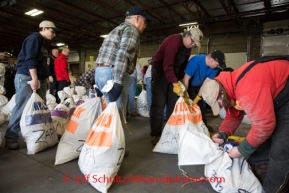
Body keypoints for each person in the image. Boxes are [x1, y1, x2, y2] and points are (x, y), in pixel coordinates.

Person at [199, 56, 289, 193]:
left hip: (286, 93)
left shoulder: (248, 88)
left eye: (219, 103)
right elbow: (233, 114)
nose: (221, 106)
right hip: (277, 93)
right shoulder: (230, 86)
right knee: (261, 146)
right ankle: (258, 182)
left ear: (221, 94)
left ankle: (275, 189)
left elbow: (264, 126)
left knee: (281, 149)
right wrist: (222, 134)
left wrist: (241, 150)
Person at [94, 6, 151, 156]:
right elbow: (122, 54)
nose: (145, 26)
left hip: (101, 71)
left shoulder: (116, 30)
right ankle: (114, 151)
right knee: (117, 115)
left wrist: (99, 81)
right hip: (114, 73)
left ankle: (102, 146)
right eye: (145, 22)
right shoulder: (132, 30)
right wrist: (118, 81)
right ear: (137, 18)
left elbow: (103, 53)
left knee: (108, 111)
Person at [4, 20, 58, 150]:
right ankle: (11, 138)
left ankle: (41, 135)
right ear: (44, 28)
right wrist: (34, 79)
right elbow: (30, 60)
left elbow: (42, 63)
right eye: (53, 31)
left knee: (40, 107)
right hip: (27, 76)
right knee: (22, 106)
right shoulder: (34, 39)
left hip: (38, 77)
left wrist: (44, 79)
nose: (54, 34)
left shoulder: (45, 43)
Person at [150, 27, 203, 145]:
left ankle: (170, 131)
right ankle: (155, 134)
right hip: (160, 71)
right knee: (159, 103)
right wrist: (174, 82)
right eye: (192, 41)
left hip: (173, 72)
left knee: (173, 104)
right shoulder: (173, 41)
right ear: (186, 35)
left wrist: (179, 80)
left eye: (195, 44)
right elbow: (167, 65)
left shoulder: (188, 48)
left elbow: (182, 66)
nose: (193, 45)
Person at [183, 50, 226, 126]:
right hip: (190, 85)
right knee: (190, 106)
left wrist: (198, 97)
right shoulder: (195, 61)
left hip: (202, 85)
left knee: (202, 106)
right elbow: (186, 79)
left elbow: (205, 83)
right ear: (212, 60)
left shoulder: (215, 68)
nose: (218, 67)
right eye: (218, 64)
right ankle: (189, 124)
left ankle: (202, 124)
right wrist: (185, 95)